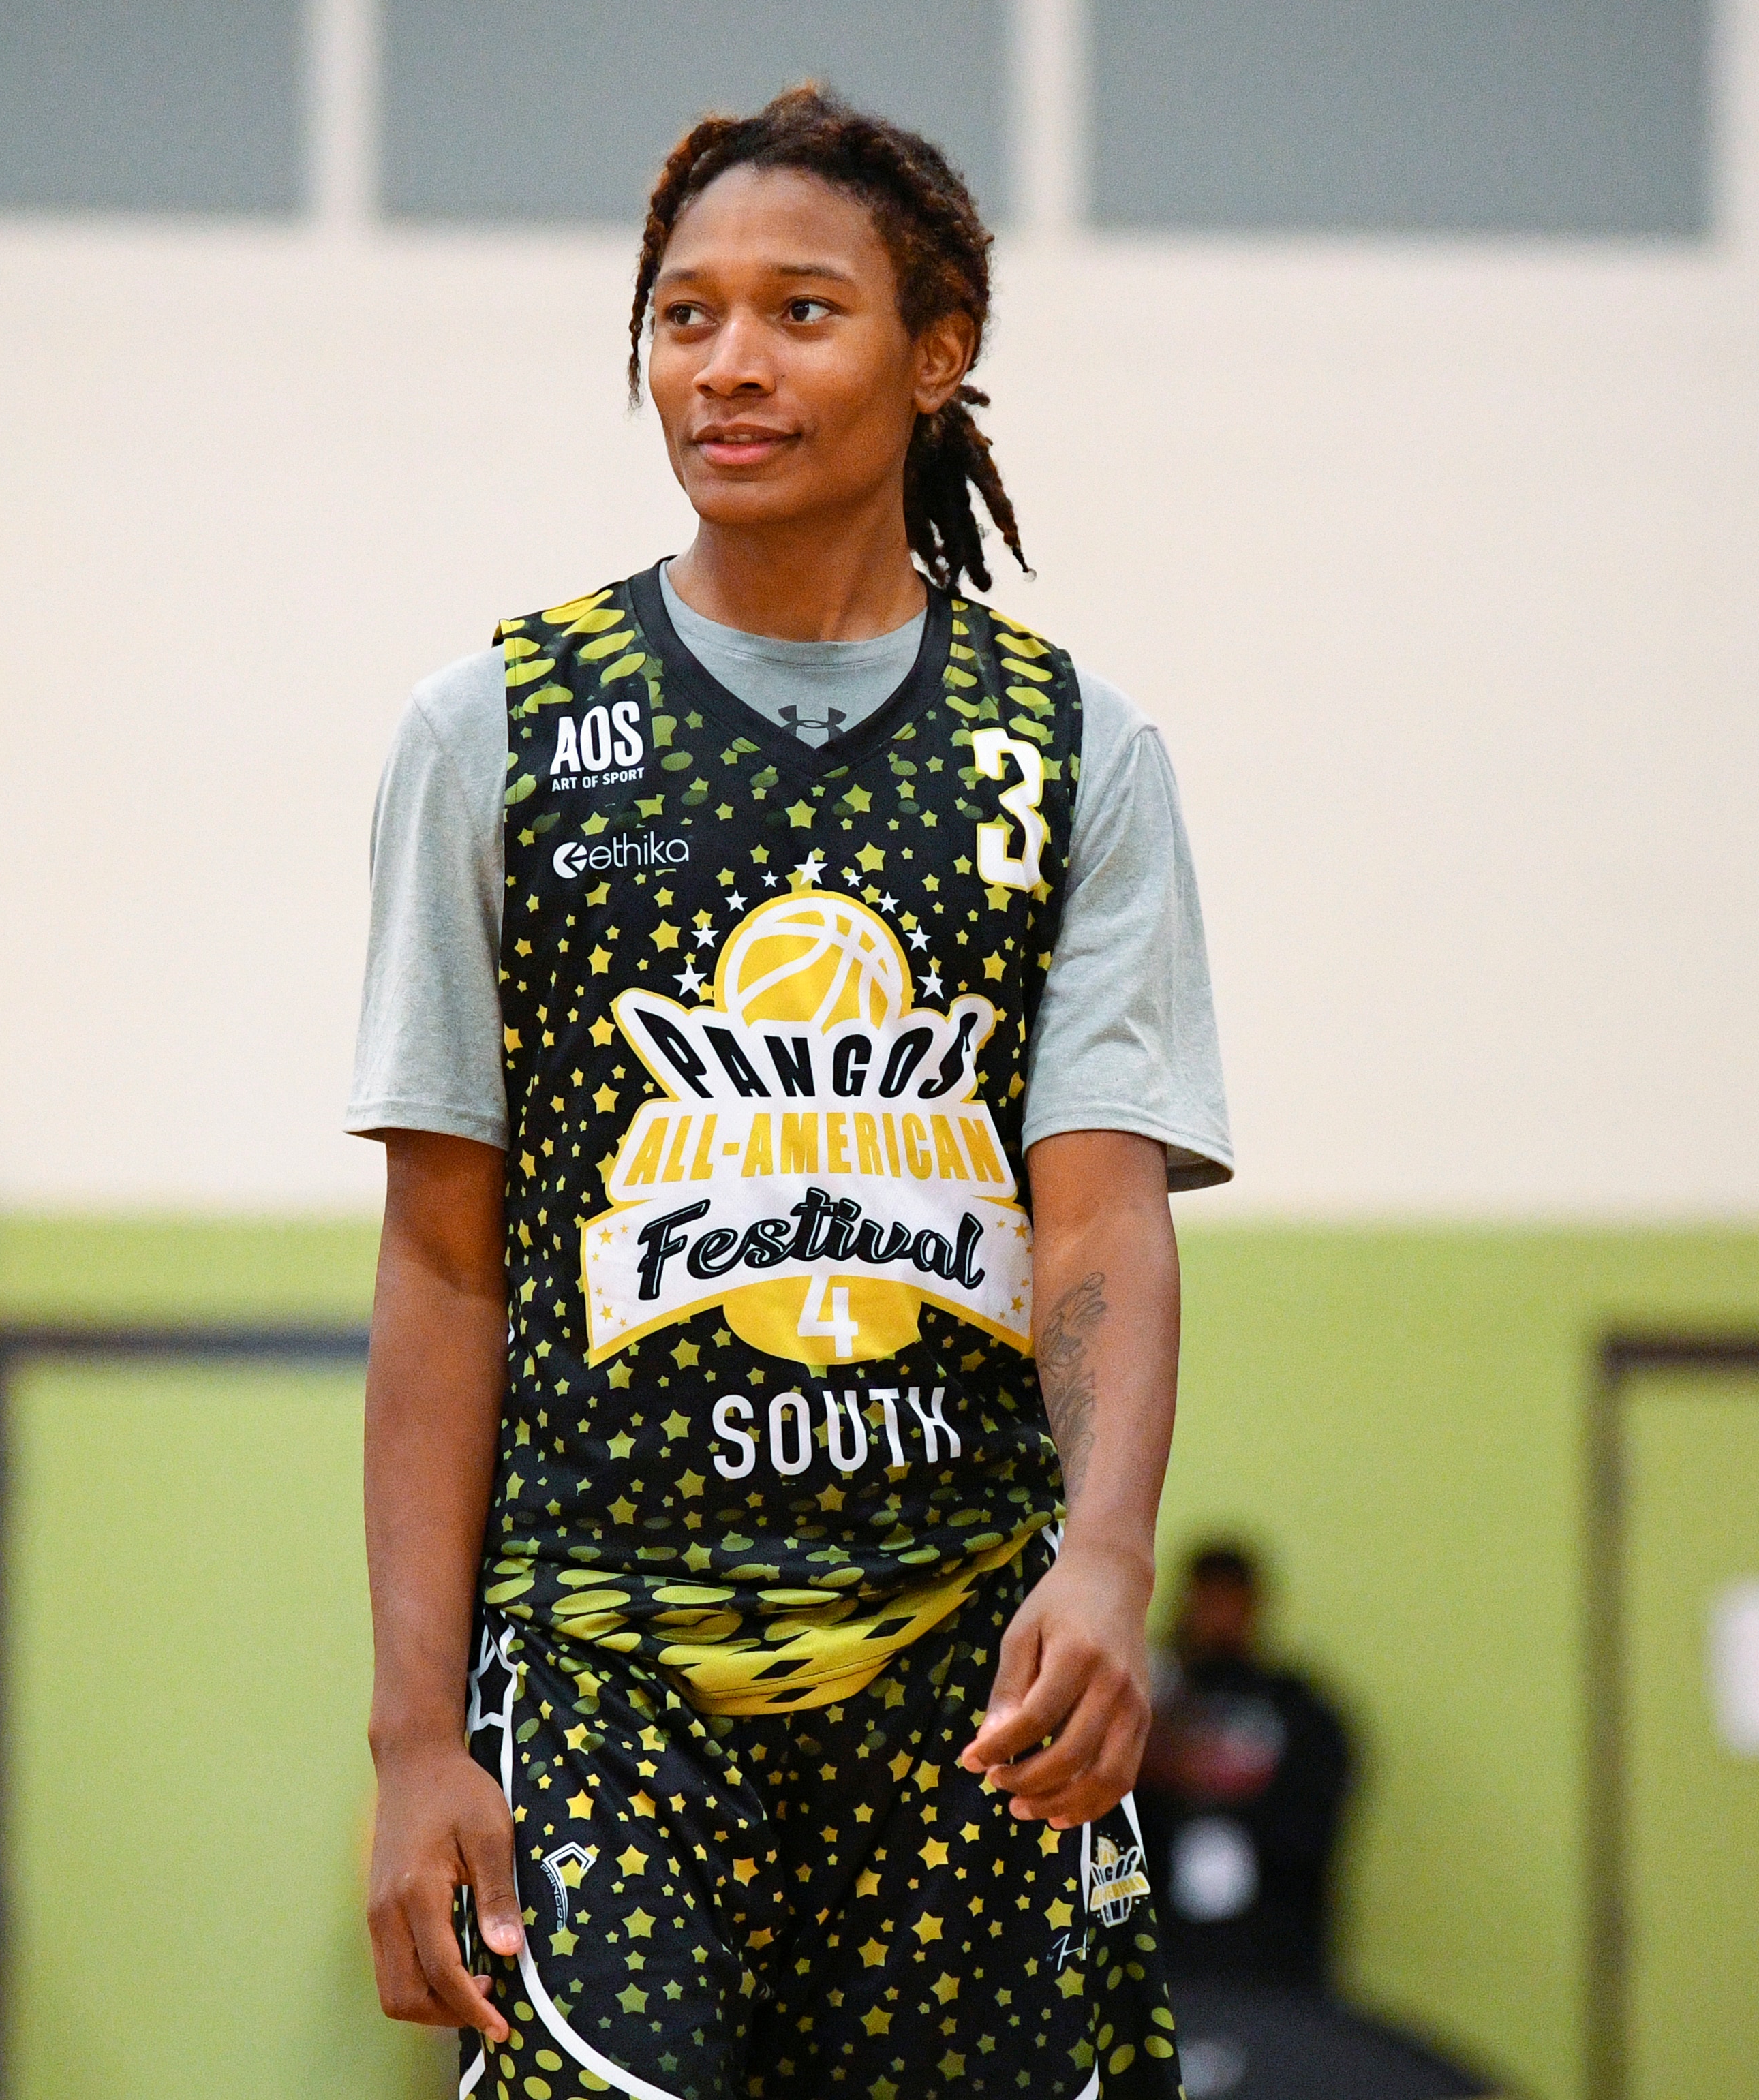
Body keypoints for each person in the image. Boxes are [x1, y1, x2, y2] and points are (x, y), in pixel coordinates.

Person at [347, 84, 1229, 2100]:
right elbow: (442, 1266)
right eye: (684, 315)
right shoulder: (497, 734)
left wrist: (1107, 1556)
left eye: (798, 311)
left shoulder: (1069, 751)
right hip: (600, 1660)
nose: (726, 362)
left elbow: (1098, 1215)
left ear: (935, 354)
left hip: (965, 1661)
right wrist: (412, 1734)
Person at [1138, 1543, 1356, 1988]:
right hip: (1158, 1949)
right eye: (1208, 1599)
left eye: (1231, 1599)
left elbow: (1317, 1821)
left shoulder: (1299, 1710)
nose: (1219, 1616)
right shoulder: (1147, 1699)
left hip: (1274, 1951)